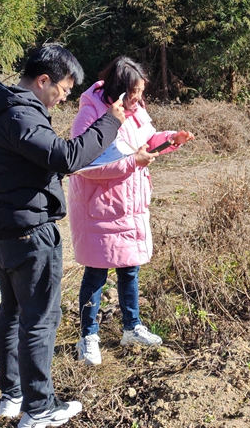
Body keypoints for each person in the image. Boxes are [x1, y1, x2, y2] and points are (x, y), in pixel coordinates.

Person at [0, 45, 125, 428]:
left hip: (1, 231)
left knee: (11, 314)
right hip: (29, 233)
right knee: (39, 319)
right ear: (44, 81)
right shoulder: (20, 115)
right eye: (63, 90)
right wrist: (110, 122)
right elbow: (66, 157)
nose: (63, 99)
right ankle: (38, 409)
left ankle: (13, 395)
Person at [69, 56, 194, 366]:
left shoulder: (136, 111)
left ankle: (132, 327)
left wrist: (170, 139)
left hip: (130, 204)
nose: (138, 97)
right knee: (96, 273)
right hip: (99, 207)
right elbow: (83, 166)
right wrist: (131, 162)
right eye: (134, 91)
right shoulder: (90, 114)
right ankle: (88, 337)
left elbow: (147, 141)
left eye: (140, 91)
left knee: (130, 268)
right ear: (118, 88)